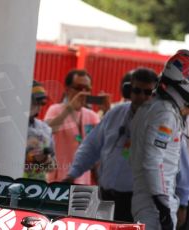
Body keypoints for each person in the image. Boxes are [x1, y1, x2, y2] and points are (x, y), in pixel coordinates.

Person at [63, 67, 159, 222]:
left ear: (155, 95)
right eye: (137, 90)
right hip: (105, 196)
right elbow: (91, 146)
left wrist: (182, 202)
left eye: (148, 92)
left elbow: (178, 163)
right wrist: (73, 173)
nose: (141, 96)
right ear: (128, 91)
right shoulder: (115, 113)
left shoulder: (162, 123)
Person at [130, 50, 189, 229]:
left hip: (150, 197)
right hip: (154, 204)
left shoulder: (151, 107)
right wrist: (163, 205)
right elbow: (153, 161)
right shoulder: (165, 114)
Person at [44, 69, 100, 184]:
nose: (83, 93)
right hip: (58, 181)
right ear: (67, 89)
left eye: (87, 89)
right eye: (79, 88)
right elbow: (46, 132)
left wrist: (107, 111)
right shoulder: (56, 110)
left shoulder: (92, 116)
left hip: (83, 183)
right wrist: (69, 109)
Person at [23, 80, 56, 180]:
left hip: (37, 188)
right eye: (34, 101)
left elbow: (52, 167)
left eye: (41, 103)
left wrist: (46, 160)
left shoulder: (45, 128)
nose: (38, 106)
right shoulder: (8, 127)